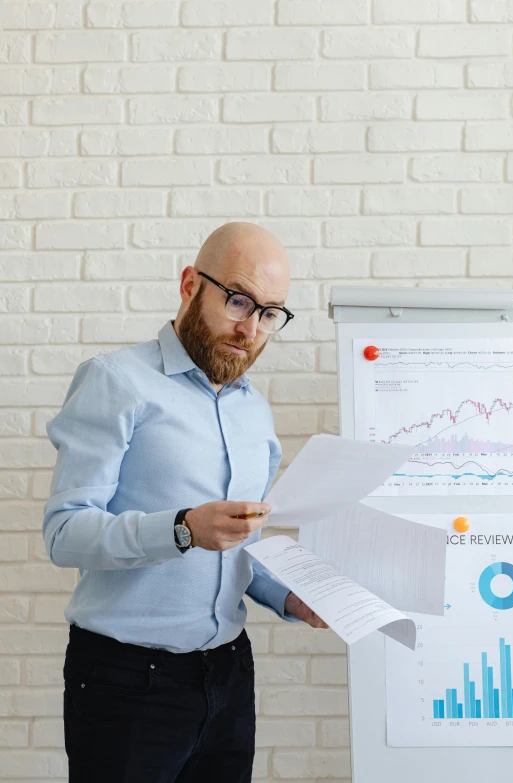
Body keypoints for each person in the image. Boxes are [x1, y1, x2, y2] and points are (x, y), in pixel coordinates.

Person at [42, 222, 328, 783]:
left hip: (228, 673)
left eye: (270, 313)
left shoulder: (256, 414)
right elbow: (64, 532)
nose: (250, 328)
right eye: (239, 300)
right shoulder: (115, 382)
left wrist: (288, 597)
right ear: (191, 283)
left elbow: (239, 540)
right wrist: (182, 529)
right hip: (127, 683)